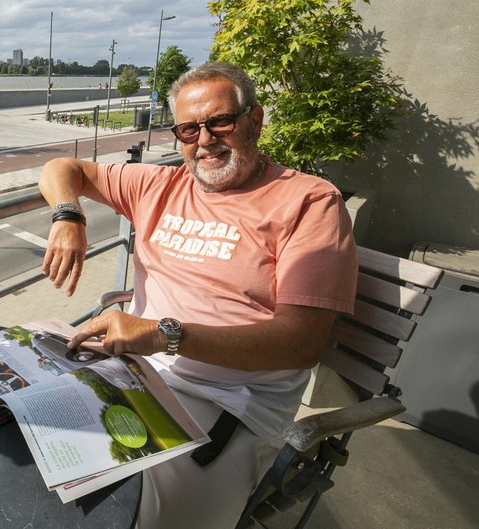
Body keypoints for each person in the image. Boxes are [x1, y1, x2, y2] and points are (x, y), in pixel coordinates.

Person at [37, 62, 358, 528]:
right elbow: (60, 167)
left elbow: (301, 343)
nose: (204, 140)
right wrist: (68, 216)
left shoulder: (309, 202)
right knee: (33, 434)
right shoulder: (159, 184)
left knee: (131, 514)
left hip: (231, 402)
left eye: (220, 122)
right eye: (188, 129)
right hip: (131, 372)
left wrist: (164, 335)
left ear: (256, 119)